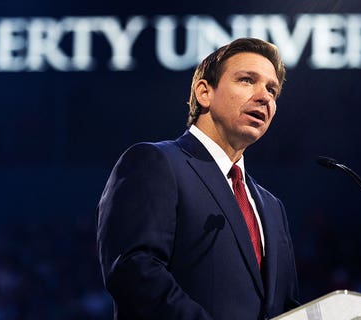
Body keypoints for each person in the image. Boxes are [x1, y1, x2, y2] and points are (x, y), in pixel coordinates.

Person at [97, 38, 299, 320]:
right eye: (246, 80)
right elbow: (135, 272)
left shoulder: (273, 207)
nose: (264, 96)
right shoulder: (155, 162)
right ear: (204, 92)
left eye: (272, 90)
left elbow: (286, 306)